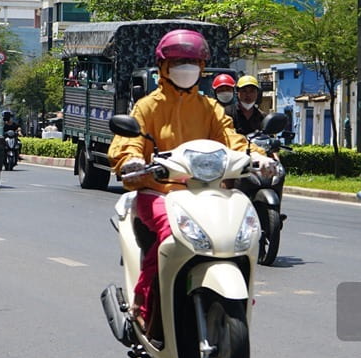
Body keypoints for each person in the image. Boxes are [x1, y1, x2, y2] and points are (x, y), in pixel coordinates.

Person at [109, 29, 275, 337]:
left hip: (206, 194)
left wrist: (259, 157)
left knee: (239, 231)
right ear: (163, 66)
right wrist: (132, 160)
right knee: (167, 237)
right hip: (157, 191)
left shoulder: (210, 108)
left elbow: (232, 139)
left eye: (193, 61)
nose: (186, 67)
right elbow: (128, 141)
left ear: (202, 68)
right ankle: (142, 309)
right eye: (179, 61)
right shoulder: (147, 106)